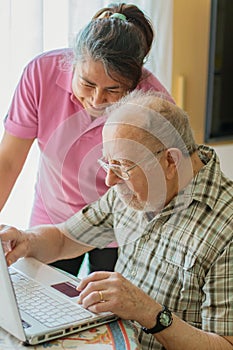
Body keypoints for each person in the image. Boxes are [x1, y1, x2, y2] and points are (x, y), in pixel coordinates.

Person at [1, 90, 232, 350]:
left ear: (170, 160)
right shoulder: (130, 194)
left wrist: (147, 311)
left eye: (122, 166)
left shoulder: (227, 228)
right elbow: (66, 239)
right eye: (107, 163)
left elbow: (225, 345)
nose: (110, 181)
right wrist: (26, 240)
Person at [0, 3, 174, 276]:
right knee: (42, 305)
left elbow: (165, 187)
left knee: (108, 312)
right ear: (73, 62)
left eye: (113, 89)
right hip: (52, 220)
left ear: (135, 82)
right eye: (87, 84)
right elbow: (8, 162)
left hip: (118, 227)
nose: (96, 100)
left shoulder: (153, 103)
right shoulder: (40, 74)